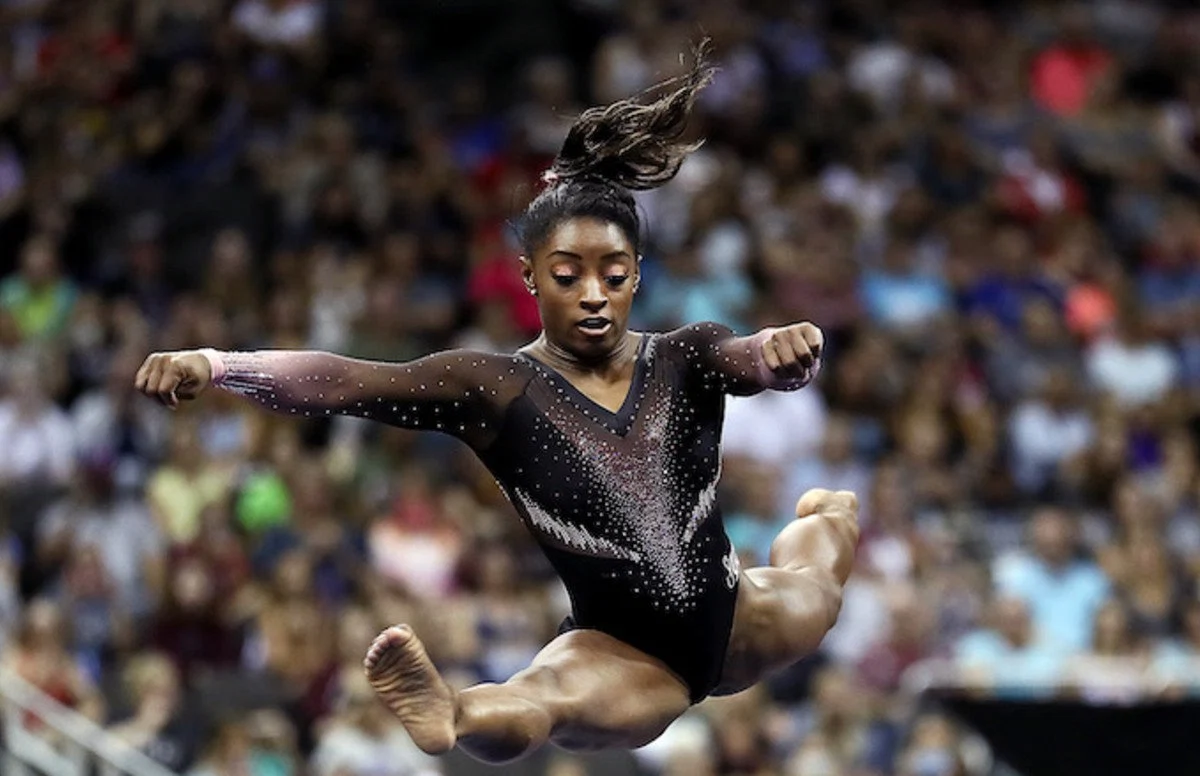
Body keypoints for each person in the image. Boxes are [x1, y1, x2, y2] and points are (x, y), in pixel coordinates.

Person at [134, 44, 859, 765]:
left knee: (821, 578)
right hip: (625, 655)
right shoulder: (497, 389)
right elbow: (347, 380)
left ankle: (824, 511)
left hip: (738, 619)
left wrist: (779, 353)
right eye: (568, 276)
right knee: (545, 697)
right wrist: (218, 364)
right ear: (530, 276)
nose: (593, 295)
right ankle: (451, 710)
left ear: (637, 274)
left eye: (613, 275)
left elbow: (749, 357)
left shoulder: (686, 355)